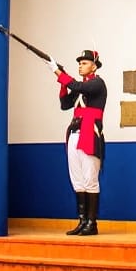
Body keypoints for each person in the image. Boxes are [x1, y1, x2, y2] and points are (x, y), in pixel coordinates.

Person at [46, 49, 107, 236]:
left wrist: (59, 73)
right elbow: (65, 104)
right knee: (78, 181)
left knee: (90, 179)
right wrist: (63, 82)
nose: (81, 65)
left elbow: (79, 87)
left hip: (90, 134)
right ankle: (82, 221)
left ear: (94, 66)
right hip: (75, 134)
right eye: (80, 63)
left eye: (85, 63)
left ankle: (92, 223)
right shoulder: (81, 86)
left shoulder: (97, 83)